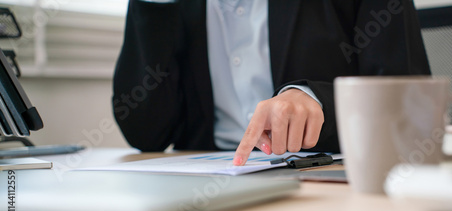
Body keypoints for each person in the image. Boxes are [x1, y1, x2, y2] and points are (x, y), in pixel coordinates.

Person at [112, 0, 430, 166]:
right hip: (201, 187)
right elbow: (146, 133)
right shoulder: (170, 5)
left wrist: (315, 100)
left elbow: (409, 99)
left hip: (326, 180)